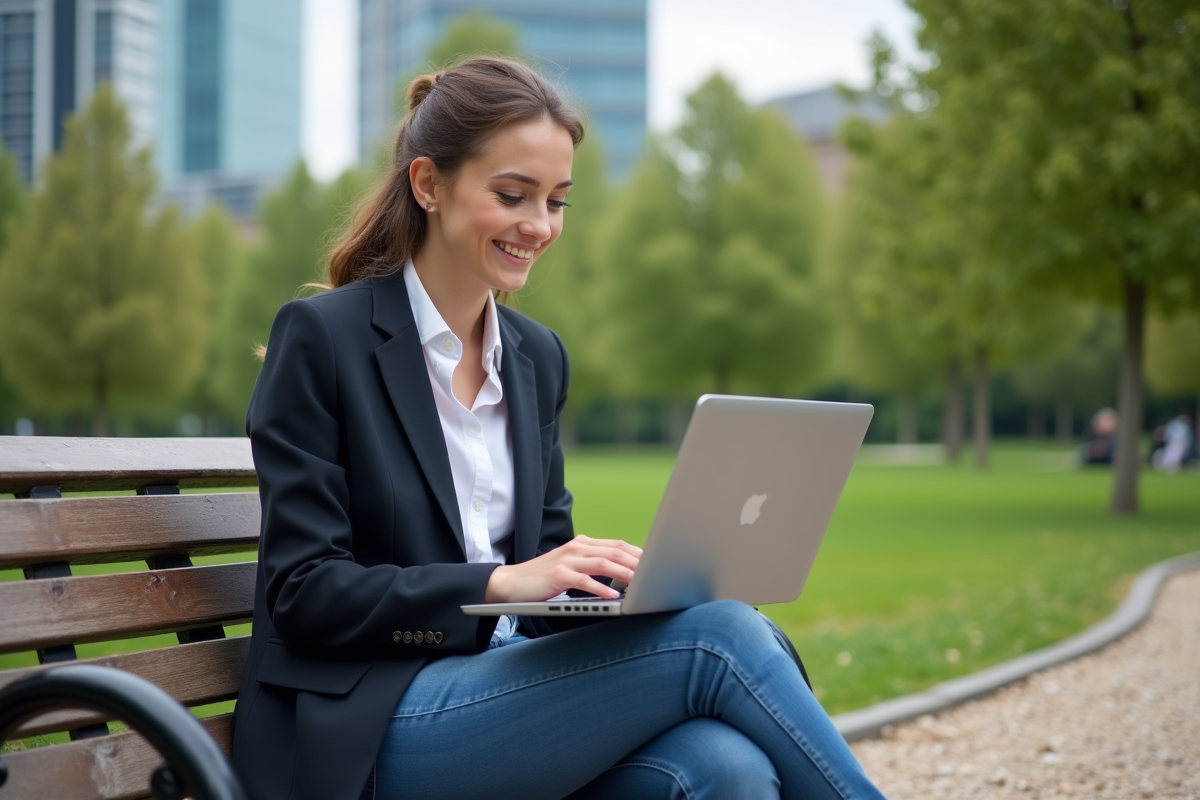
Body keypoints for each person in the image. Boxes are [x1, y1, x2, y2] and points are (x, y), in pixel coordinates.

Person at [230, 57, 886, 800]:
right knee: (722, 637)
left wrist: (618, 591)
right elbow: (306, 594)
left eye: (557, 201)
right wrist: (500, 584)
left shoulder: (535, 357)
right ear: (428, 185)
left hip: (504, 700)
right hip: (370, 724)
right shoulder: (324, 339)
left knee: (723, 765)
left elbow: (543, 579)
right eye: (512, 195)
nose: (539, 226)